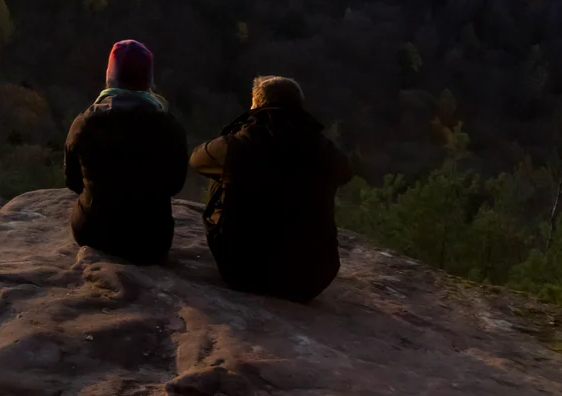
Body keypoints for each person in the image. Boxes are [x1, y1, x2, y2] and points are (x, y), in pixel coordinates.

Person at [190, 76, 354, 302]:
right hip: (311, 278)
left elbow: (197, 159)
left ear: (256, 104)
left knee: (221, 171)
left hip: (244, 271)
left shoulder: (238, 144)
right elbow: (345, 173)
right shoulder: (322, 147)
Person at [63, 40, 191, 264]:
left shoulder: (86, 123)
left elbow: (73, 181)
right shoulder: (168, 126)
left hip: (93, 232)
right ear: (148, 80)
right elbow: (175, 184)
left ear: (110, 76)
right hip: (151, 240)